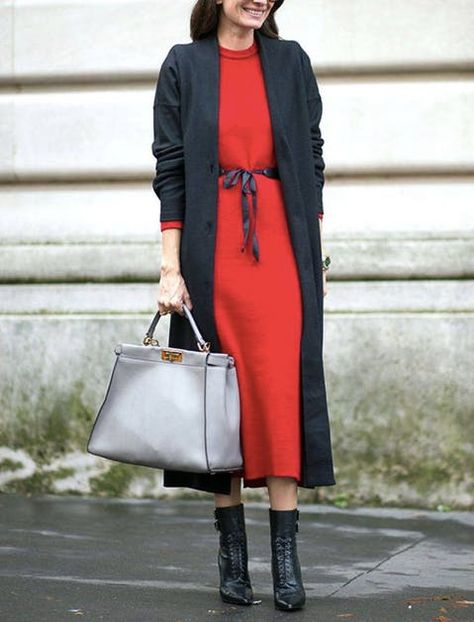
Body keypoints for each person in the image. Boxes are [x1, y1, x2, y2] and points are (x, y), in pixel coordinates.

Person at [151, 0, 336, 612]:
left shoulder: (290, 61)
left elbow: (310, 158)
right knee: (221, 398)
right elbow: (171, 169)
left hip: (282, 253)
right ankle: (233, 559)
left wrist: (317, 257)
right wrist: (171, 267)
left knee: (280, 392)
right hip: (212, 253)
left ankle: (286, 561)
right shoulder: (184, 65)